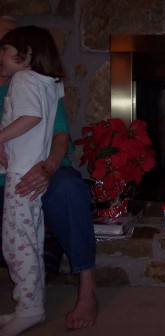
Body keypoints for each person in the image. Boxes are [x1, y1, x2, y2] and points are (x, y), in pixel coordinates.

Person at [0, 16, 98, 331]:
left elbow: (58, 133)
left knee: (66, 191)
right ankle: (30, 303)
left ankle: (85, 287)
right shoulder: (44, 81)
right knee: (23, 238)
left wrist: (49, 165)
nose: (1, 51)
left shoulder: (28, 81)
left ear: (26, 52)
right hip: (10, 172)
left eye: (6, 43)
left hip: (34, 170)